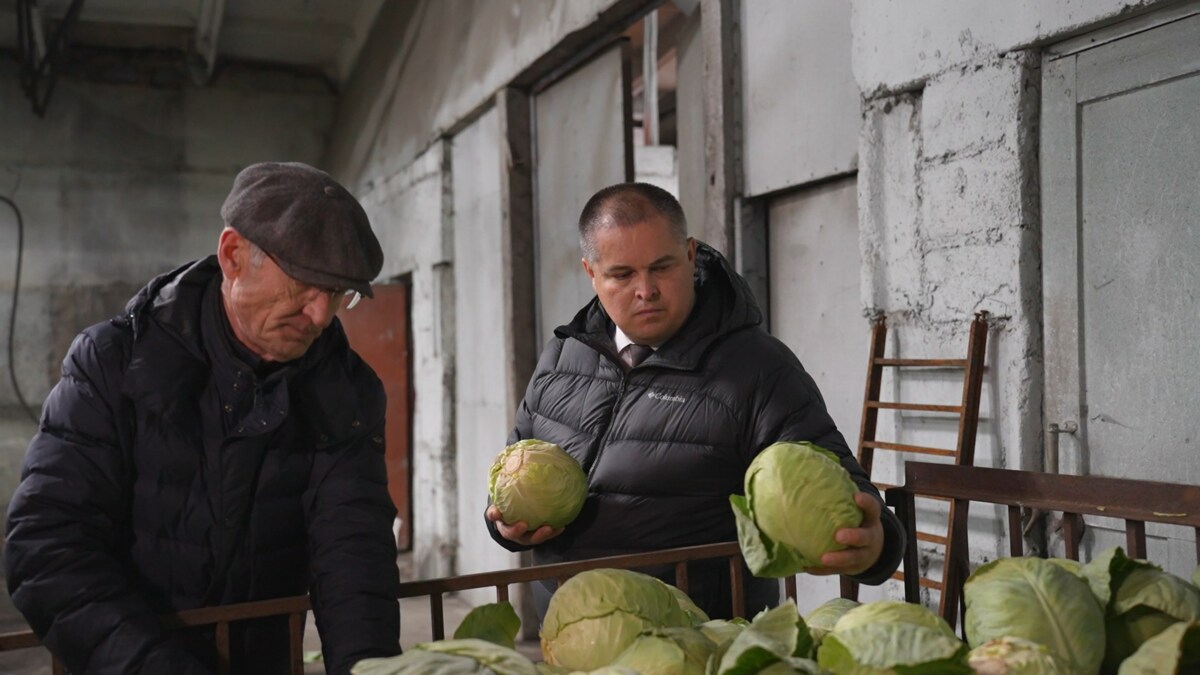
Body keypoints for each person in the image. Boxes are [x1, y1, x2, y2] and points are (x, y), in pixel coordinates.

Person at [5, 162, 401, 674]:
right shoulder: (114, 364)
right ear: (234, 256)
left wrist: (368, 669)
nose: (321, 316)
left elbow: (354, 554)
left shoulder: (346, 393)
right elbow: (46, 547)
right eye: (304, 284)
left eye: (339, 294)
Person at [486, 182, 905, 620]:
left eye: (661, 267)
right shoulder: (561, 358)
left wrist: (877, 544)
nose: (646, 290)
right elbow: (515, 468)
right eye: (622, 274)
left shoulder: (756, 367)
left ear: (690, 254)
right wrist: (505, 526)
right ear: (591, 273)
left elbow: (840, 480)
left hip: (698, 644)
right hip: (572, 639)